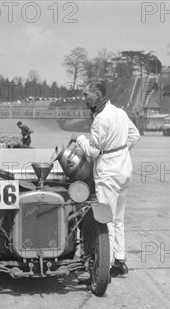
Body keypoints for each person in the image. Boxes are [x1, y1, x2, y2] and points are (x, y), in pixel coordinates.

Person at [73, 80, 140, 278]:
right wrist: (119, 150)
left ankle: (107, 266)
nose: (84, 98)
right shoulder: (119, 112)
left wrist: (79, 139)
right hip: (124, 168)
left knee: (105, 219)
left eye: (87, 95)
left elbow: (93, 152)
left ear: (98, 95)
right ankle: (119, 259)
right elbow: (135, 135)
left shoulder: (101, 119)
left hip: (108, 172)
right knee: (118, 217)